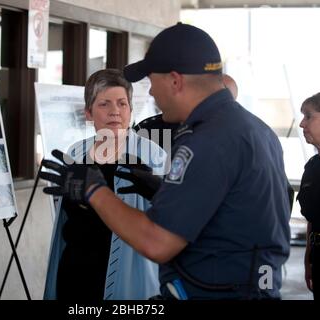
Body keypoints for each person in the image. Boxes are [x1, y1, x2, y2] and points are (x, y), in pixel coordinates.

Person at [41, 23, 291, 300]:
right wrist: (161, 191)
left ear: (175, 81)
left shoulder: (208, 140)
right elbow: (226, 209)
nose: (150, 94)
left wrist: (94, 190)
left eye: (152, 81)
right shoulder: (249, 127)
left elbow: (157, 243)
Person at [41, 68, 166, 300]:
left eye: (122, 104)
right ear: (88, 113)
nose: (115, 112)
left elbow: (167, 227)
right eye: (104, 104)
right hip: (75, 274)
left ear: (130, 110)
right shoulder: (76, 153)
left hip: (127, 278)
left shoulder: (152, 156)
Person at [297, 93, 320, 300]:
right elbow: (312, 219)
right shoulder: (313, 167)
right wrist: (308, 259)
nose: (302, 123)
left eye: (308, 116)